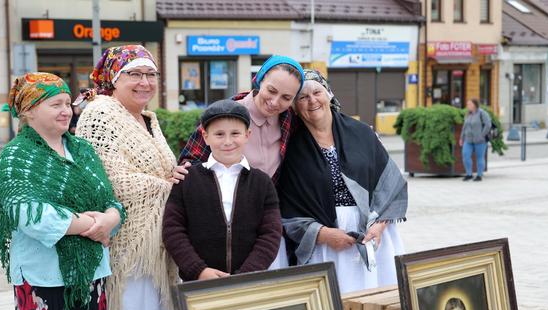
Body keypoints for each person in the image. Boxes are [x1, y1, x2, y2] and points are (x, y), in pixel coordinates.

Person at [0, 72, 125, 310]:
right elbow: (24, 211)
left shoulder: (82, 149)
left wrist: (111, 218)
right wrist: (87, 224)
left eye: (68, 103)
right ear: (29, 111)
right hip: (42, 281)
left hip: (90, 276)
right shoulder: (16, 156)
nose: (66, 110)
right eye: (55, 104)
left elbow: (110, 199)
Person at [75, 45, 177, 310]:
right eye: (134, 74)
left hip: (159, 246)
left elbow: (163, 169)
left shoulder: (148, 119)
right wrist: (170, 187)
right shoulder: (100, 114)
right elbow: (111, 180)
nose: (144, 82)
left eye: (150, 74)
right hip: (128, 247)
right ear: (114, 79)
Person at [278, 70, 407, 294]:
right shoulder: (291, 149)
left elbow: (390, 184)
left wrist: (380, 225)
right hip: (324, 241)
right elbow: (287, 208)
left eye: (317, 92)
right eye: (303, 97)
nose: (312, 101)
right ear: (295, 107)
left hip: (372, 234)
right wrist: (324, 234)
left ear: (329, 94)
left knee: (376, 301)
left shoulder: (362, 133)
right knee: (337, 306)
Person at [174, 55, 305, 269]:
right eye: (271, 91)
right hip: (220, 229)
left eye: (286, 97)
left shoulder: (288, 119)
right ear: (258, 80)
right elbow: (192, 159)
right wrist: (182, 172)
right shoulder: (227, 113)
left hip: (266, 228)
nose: (275, 102)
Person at [162, 100, 282, 281]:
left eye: (235, 133)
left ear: (247, 135)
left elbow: (271, 233)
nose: (228, 141)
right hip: (197, 282)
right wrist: (198, 270)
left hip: (248, 283)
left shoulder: (262, 182)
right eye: (219, 134)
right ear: (205, 136)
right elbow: (173, 230)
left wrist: (248, 274)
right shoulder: (187, 180)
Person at [460, 98, 492, 182]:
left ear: (474, 105)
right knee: (465, 155)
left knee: (480, 157)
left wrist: (482, 135)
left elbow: (488, 124)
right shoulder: (468, 114)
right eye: (467, 104)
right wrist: (461, 138)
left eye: (469, 104)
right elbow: (464, 127)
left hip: (480, 140)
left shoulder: (482, 113)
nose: (467, 106)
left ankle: (479, 175)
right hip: (468, 139)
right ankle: (469, 174)